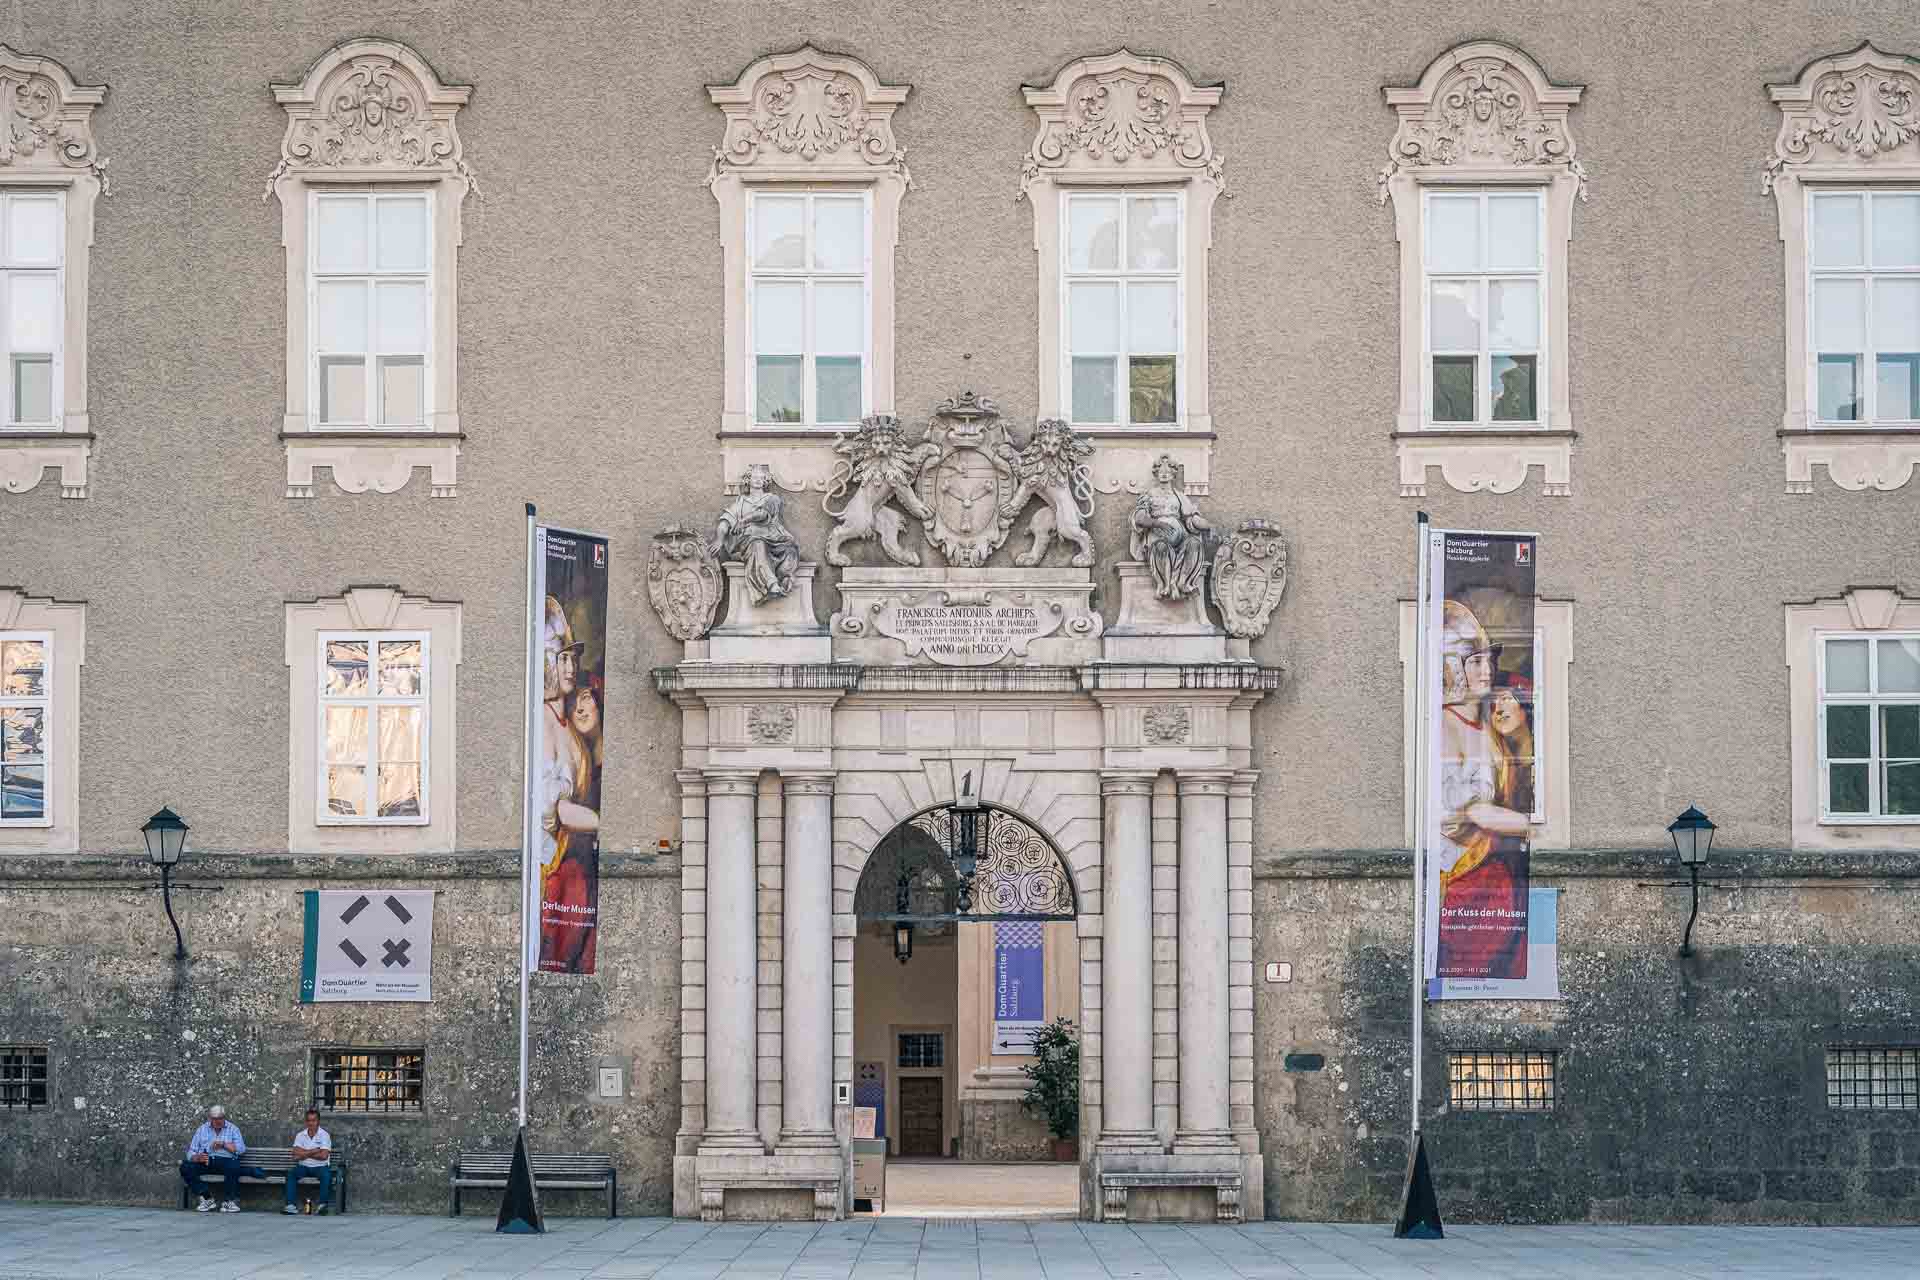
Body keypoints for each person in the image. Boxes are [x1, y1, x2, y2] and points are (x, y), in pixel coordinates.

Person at [1433, 601, 1530, 980]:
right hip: (1463, 878)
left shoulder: (1487, 724)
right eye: (1475, 661)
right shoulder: (1446, 726)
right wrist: (1536, 826)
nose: (1487, 669)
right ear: (1453, 667)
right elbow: (1475, 811)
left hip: (1495, 870)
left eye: (1488, 660)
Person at [538, 597, 599, 973]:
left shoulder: (570, 727)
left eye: (572, 658)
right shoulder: (542, 722)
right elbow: (554, 807)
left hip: (576, 868)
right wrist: (601, 822)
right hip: (552, 871)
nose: (570, 667)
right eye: (561, 658)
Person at [711, 463, 800, 604]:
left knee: (790, 549)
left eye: (762, 478)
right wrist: (719, 539)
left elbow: (763, 514)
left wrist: (744, 521)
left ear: (765, 481)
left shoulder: (772, 499)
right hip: (751, 541)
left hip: (775, 539)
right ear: (748, 480)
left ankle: (784, 578)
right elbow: (725, 521)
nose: (758, 480)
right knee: (757, 543)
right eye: (755, 477)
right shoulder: (741, 502)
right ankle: (771, 584)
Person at [1129, 454, 1211, 599]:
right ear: (1156, 474)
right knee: (1161, 547)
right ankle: (1165, 585)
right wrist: (1157, 523)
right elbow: (1140, 518)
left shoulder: (1179, 496)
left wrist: (1204, 524)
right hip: (1157, 536)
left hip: (1180, 537)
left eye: (1168, 472)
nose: (1164, 474)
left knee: (1194, 544)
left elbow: (1191, 516)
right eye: (1161, 472)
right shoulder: (1149, 495)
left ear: (1173, 475)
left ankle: (1184, 583)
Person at [179, 1104, 261, 1213]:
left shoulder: (233, 1129)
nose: (217, 1121)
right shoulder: (202, 1129)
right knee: (185, 1167)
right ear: (210, 1118)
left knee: (234, 1166)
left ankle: (229, 1201)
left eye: (220, 1118)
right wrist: (197, 1157)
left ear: (224, 1117)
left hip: (226, 1162)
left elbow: (241, 1149)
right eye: (215, 1119)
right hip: (206, 1161)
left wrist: (224, 1144)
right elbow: (191, 1151)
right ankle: (207, 1198)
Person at [283, 1108, 333, 1214]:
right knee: (291, 1174)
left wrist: (303, 1153)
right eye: (309, 1120)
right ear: (306, 1121)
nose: (311, 1123)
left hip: (320, 1167)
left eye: (313, 1120)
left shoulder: (324, 1135)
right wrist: (314, 1151)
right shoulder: (300, 1135)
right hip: (303, 1166)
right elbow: (295, 1154)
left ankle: (322, 1206)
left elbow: (324, 1156)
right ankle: (290, 1206)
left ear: (318, 1121)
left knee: (326, 1176)